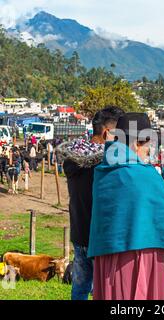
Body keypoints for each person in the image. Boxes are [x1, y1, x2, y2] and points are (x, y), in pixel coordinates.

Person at [88, 113, 164, 300]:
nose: (149, 151)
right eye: (148, 146)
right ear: (138, 143)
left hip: (107, 263)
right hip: (144, 260)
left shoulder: (102, 173)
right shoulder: (144, 176)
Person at [58, 106, 125, 300]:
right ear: (107, 132)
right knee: (103, 291)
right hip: (101, 237)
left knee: (79, 288)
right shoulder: (106, 163)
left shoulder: (73, 158)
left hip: (79, 233)